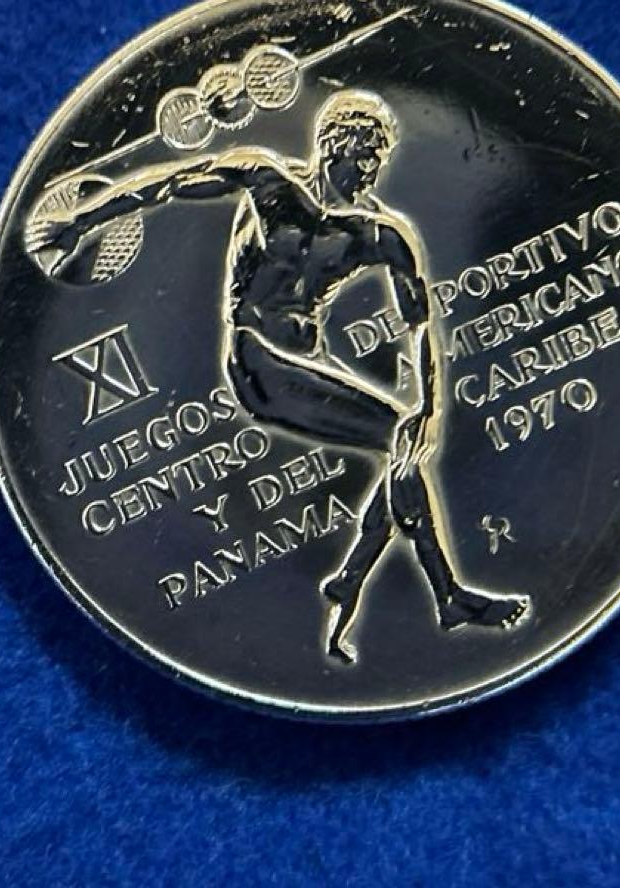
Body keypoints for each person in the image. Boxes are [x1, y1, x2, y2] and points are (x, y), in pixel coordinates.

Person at [29, 89, 529, 662]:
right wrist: (85, 220)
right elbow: (167, 184)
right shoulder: (268, 182)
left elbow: (419, 324)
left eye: (380, 158)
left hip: (306, 364)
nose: (373, 168)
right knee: (398, 436)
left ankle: (356, 582)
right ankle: (442, 595)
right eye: (366, 152)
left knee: (405, 447)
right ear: (335, 144)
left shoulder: (375, 234)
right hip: (258, 361)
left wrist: (430, 410)